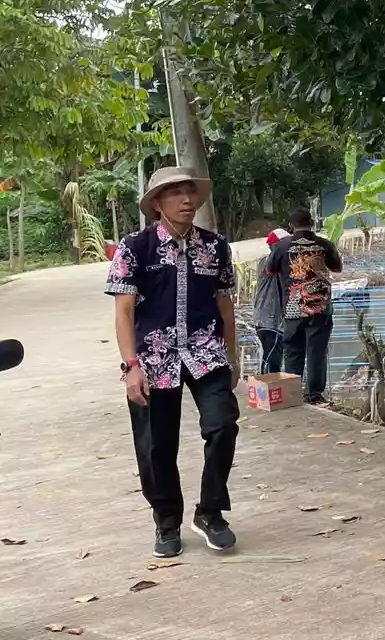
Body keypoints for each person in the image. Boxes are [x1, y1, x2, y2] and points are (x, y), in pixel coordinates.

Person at [105, 167, 241, 557]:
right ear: (157, 204)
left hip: (205, 352)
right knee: (156, 446)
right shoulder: (136, 247)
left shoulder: (216, 247)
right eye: (176, 193)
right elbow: (124, 311)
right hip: (152, 358)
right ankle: (167, 521)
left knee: (223, 426)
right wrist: (131, 365)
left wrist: (231, 357)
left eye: (191, 193)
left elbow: (224, 305)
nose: (187, 200)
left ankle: (211, 512)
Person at [265, 207, 343, 404]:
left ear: (291, 226)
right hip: (320, 309)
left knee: (293, 352)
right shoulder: (324, 245)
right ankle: (314, 395)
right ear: (313, 223)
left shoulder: (281, 247)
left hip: (293, 308)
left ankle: (293, 393)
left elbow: (270, 269)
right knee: (317, 352)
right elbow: (337, 268)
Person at [253, 226, 290, 373]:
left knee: (271, 358)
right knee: (272, 360)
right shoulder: (269, 262)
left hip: (268, 319)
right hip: (270, 319)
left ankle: (267, 392)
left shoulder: (273, 261)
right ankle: (268, 392)